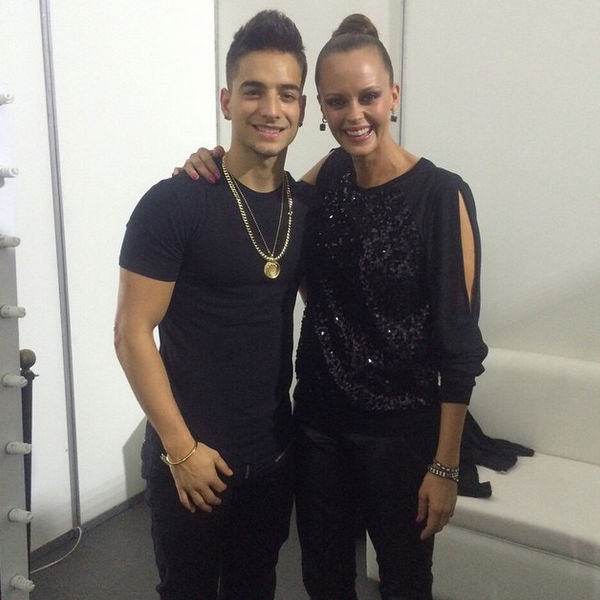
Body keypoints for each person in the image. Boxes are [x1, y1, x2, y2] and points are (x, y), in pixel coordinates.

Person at [178, 13, 487, 600]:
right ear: (319, 107)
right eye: (338, 101)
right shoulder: (328, 179)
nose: (354, 114)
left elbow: (459, 345)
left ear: (393, 96)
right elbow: (270, 217)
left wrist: (445, 467)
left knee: (404, 582)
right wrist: (209, 164)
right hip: (319, 426)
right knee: (322, 579)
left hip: (403, 435)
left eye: (368, 97)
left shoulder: (440, 194)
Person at [113, 10, 314, 600]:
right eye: (254, 91)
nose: (271, 109)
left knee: (256, 588)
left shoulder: (306, 209)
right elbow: (131, 333)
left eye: (287, 94)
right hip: (191, 463)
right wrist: (181, 451)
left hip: (273, 460)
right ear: (226, 100)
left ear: (303, 108)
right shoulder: (174, 203)